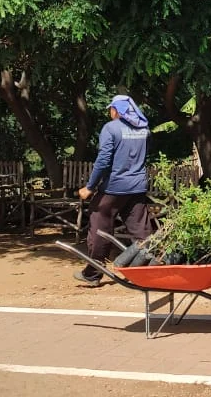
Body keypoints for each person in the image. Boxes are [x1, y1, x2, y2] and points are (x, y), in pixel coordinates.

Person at [74, 95, 153, 286]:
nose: (110, 112)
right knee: (141, 230)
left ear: (117, 110)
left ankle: (93, 273)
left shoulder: (111, 128)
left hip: (114, 187)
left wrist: (90, 187)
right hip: (137, 187)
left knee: (100, 226)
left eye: (111, 109)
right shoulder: (144, 130)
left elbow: (103, 161)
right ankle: (147, 271)